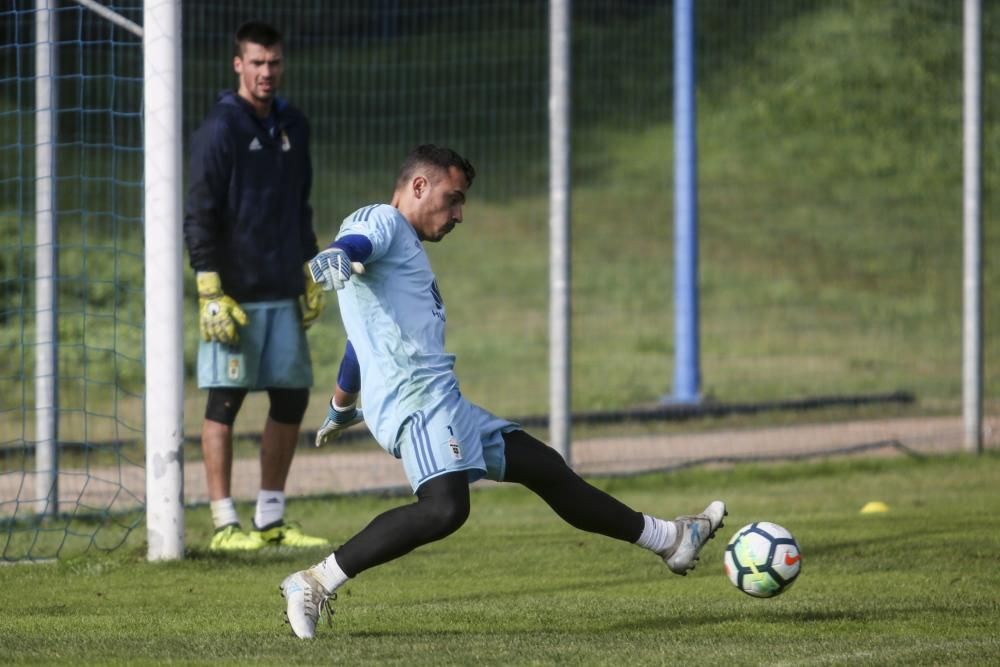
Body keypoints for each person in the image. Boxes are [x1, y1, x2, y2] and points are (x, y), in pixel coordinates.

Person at [279, 144, 726, 638]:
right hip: (419, 404)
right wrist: (339, 254)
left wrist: (342, 405)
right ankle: (316, 580)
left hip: (444, 403)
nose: (459, 214)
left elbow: (359, 342)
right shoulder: (384, 221)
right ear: (419, 187)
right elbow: (357, 241)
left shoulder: (405, 254)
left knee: (545, 468)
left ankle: (671, 539)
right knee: (445, 508)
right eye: (453, 199)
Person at [182, 21, 329, 552]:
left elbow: (300, 206)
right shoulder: (220, 128)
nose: (267, 72)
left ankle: (270, 519)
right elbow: (199, 212)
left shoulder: (295, 124)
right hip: (235, 295)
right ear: (238, 65)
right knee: (225, 400)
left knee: (290, 399)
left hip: (283, 288)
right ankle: (224, 524)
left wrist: (310, 268)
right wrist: (208, 288)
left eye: (275, 63)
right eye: (257, 62)